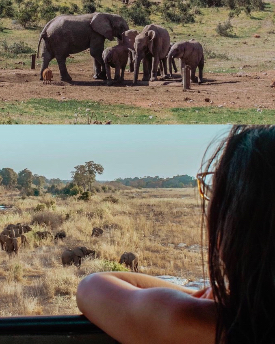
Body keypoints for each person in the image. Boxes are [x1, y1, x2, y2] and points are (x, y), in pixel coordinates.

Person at [76, 125, 275, 344]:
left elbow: (91, 287)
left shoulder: (210, 324)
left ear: (232, 231)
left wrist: (196, 298)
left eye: (212, 195)